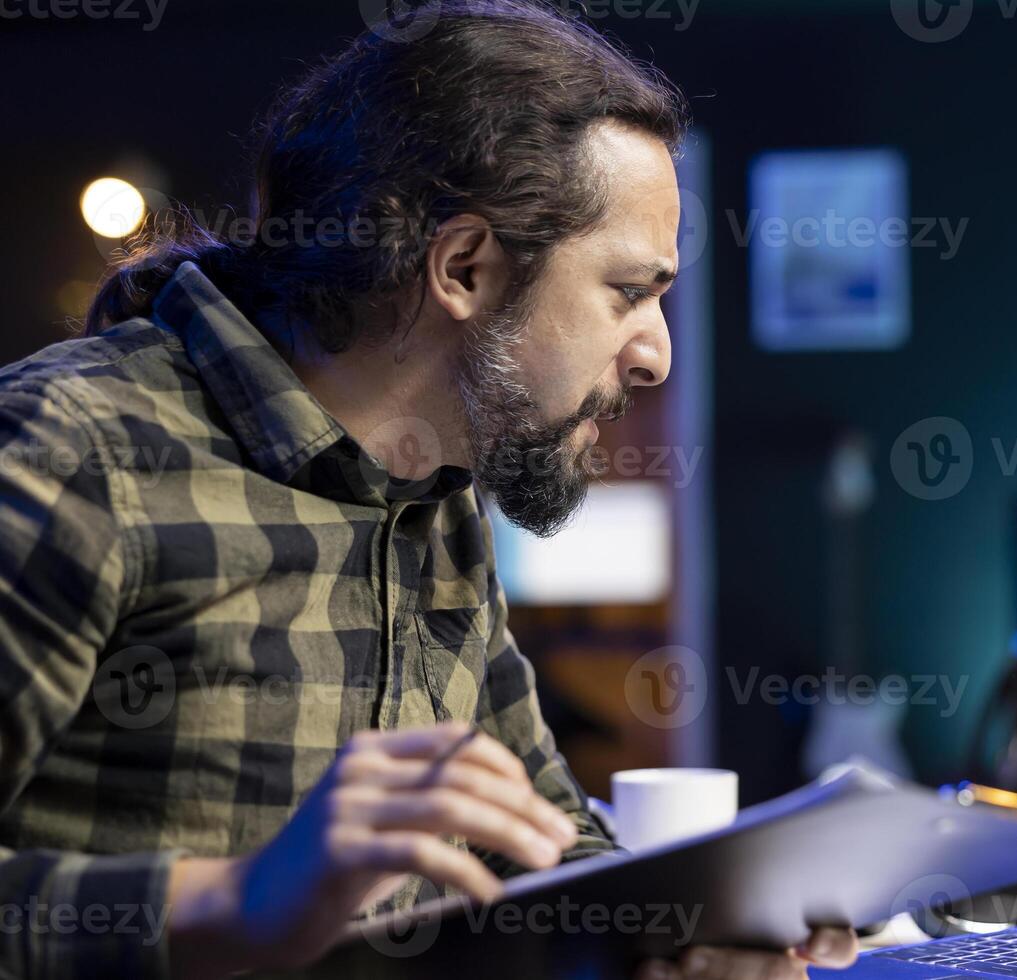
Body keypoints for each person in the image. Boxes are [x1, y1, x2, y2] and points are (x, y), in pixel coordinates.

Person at [0, 5, 858, 979]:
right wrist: (234, 900)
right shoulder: (71, 452)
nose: (657, 350)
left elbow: (538, 834)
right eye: (629, 292)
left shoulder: (438, 488)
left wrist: (690, 930)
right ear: (463, 268)